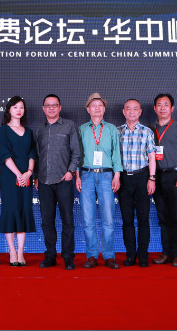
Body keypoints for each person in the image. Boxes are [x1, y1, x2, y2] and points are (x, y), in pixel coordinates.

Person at [34, 94, 81, 270]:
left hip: (64, 180)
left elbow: (76, 152)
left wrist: (71, 171)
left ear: (60, 107)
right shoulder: (39, 130)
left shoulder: (69, 126)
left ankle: (68, 257)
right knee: (47, 221)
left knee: (68, 221)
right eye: (48, 105)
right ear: (43, 109)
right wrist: (36, 176)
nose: (51, 108)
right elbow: (36, 155)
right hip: (44, 181)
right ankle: (50, 256)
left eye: (55, 105)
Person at [77, 93, 122, 270]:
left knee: (108, 218)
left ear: (104, 109)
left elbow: (116, 153)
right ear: (88, 109)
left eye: (100, 105)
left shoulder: (111, 129)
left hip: (106, 176)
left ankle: (109, 256)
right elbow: (77, 154)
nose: (97, 108)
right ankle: (92, 255)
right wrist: (77, 175)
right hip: (86, 175)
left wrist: (117, 175)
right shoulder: (81, 129)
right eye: (93, 105)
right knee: (88, 219)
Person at [151, 93, 177, 267]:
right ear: (155, 108)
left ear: (172, 108)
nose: (162, 108)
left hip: (175, 176)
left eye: (166, 104)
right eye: (159, 105)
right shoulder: (150, 129)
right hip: (157, 176)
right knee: (163, 216)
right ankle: (166, 253)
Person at [0, 96, 37, 266]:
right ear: (9, 110)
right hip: (10, 177)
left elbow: (32, 153)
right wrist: (18, 174)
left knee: (24, 211)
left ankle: (21, 252)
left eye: (21, 107)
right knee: (11, 211)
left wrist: (28, 173)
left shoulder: (29, 132)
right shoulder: (3, 131)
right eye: (15, 107)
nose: (19, 110)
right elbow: (5, 155)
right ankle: (12, 252)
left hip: (26, 177)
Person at [117, 99, 156, 268]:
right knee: (127, 220)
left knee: (143, 219)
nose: (131, 112)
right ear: (123, 112)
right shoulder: (117, 132)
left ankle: (143, 255)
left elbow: (152, 157)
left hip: (142, 177)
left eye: (135, 109)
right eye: (128, 109)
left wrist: (152, 178)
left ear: (140, 112)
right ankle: (130, 255)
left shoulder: (147, 131)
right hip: (124, 179)